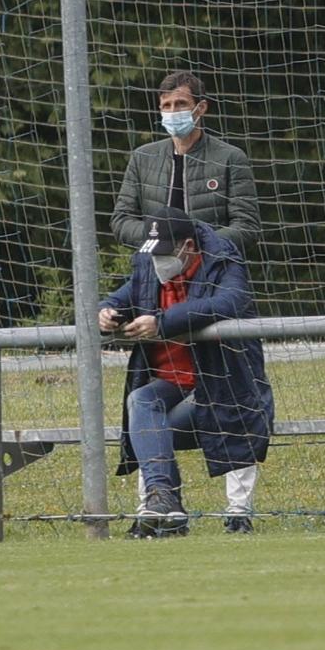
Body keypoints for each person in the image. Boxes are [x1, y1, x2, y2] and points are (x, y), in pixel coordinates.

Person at [100, 208, 273, 537]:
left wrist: (163, 323)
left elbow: (230, 302)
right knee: (141, 401)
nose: (157, 262)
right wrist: (105, 313)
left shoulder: (224, 262)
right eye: (153, 253)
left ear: (188, 246)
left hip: (219, 386)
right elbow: (120, 297)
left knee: (152, 427)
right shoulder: (148, 265)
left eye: (164, 253)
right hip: (170, 386)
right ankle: (164, 501)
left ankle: (230, 515)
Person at [111, 70, 260, 257]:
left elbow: (247, 226)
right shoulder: (142, 158)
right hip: (155, 268)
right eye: (167, 105)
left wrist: (195, 244)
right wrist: (160, 237)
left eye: (181, 104)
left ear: (201, 107)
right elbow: (121, 220)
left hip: (212, 269)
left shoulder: (230, 158)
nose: (173, 111)